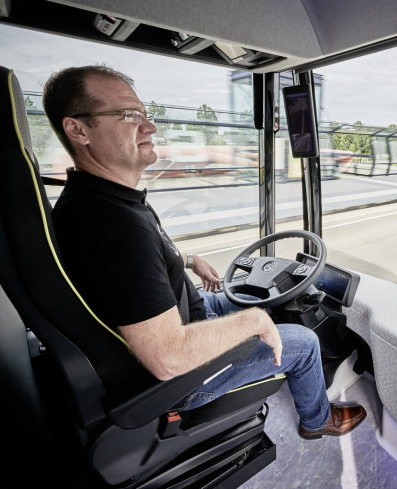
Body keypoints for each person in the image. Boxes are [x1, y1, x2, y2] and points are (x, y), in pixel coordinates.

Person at [43, 65, 366, 439]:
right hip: (183, 378)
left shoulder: (98, 200)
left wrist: (190, 261)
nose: (149, 127)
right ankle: (317, 421)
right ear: (77, 129)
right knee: (304, 341)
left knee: (247, 297)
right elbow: (168, 359)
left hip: (182, 311)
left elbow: (139, 267)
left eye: (145, 115)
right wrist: (255, 322)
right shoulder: (116, 228)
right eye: (129, 115)